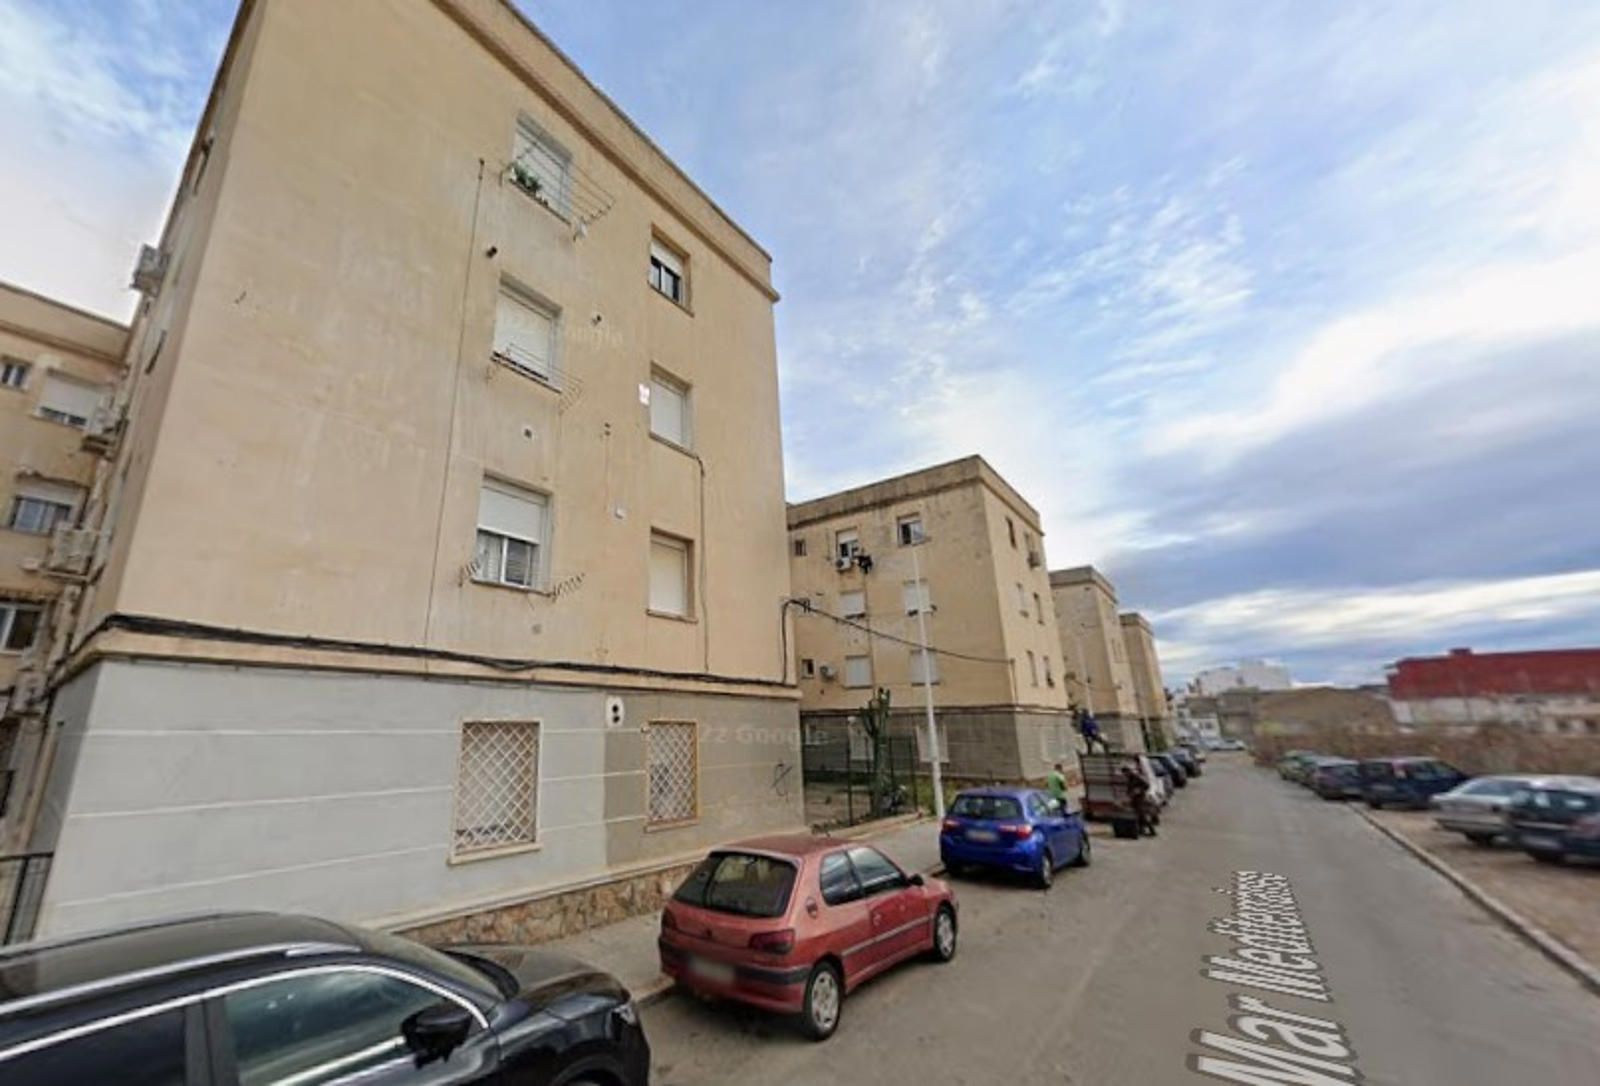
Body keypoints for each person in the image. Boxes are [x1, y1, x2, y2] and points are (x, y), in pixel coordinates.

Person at [1121, 762, 1157, 837]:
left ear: (1128, 771)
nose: (1125, 775)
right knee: (1138, 815)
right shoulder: (1130, 778)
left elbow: (1147, 785)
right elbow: (1129, 789)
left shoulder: (1136, 777)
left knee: (1142, 815)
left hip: (1140, 799)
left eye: (1125, 773)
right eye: (1124, 774)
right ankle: (1141, 830)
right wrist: (1128, 795)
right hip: (1134, 799)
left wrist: (1139, 790)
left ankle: (1152, 831)